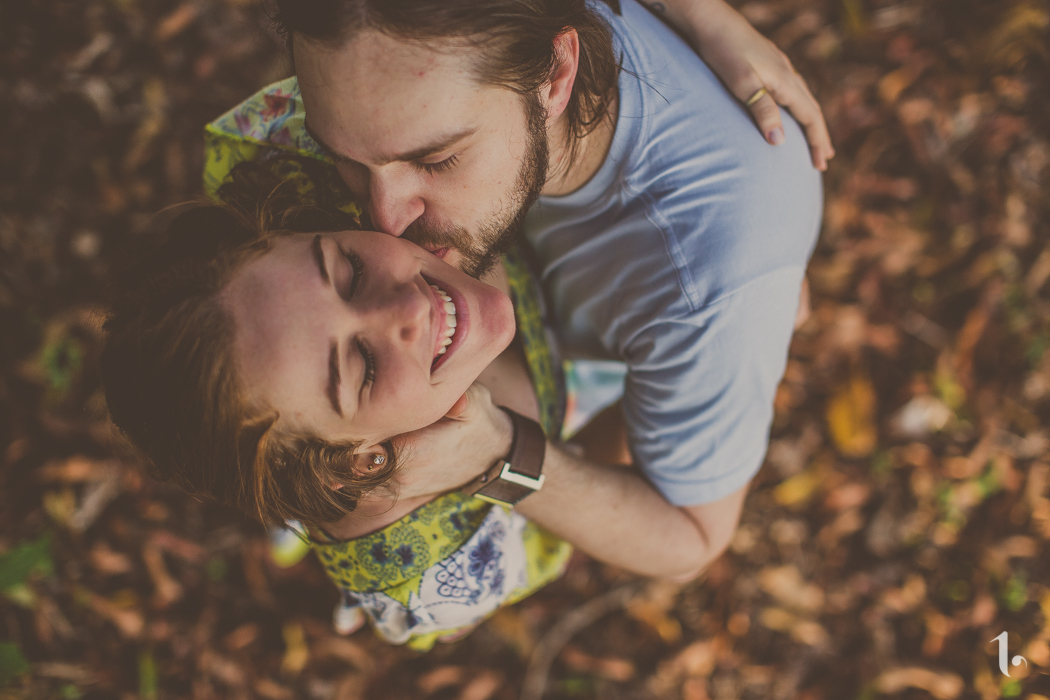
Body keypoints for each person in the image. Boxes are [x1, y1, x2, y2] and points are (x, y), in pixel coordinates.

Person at [203, 0, 824, 584]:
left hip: (620, 346)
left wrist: (500, 454)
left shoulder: (710, 289)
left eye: (437, 159)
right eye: (345, 155)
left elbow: (690, 538)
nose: (385, 220)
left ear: (555, 74)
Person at [102, 158, 576, 649]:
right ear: (361, 458)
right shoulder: (437, 571)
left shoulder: (347, 175)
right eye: (363, 365)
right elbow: (599, 505)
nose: (410, 307)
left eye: (350, 272)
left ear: (309, 224)